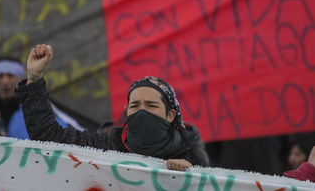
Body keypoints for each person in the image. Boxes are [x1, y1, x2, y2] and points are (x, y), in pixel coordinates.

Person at [15, 44, 210, 171]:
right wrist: (34, 77)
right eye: (134, 105)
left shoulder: (190, 154)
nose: (142, 111)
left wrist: (187, 177)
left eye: (151, 105)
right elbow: (48, 136)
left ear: (170, 115)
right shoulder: (107, 145)